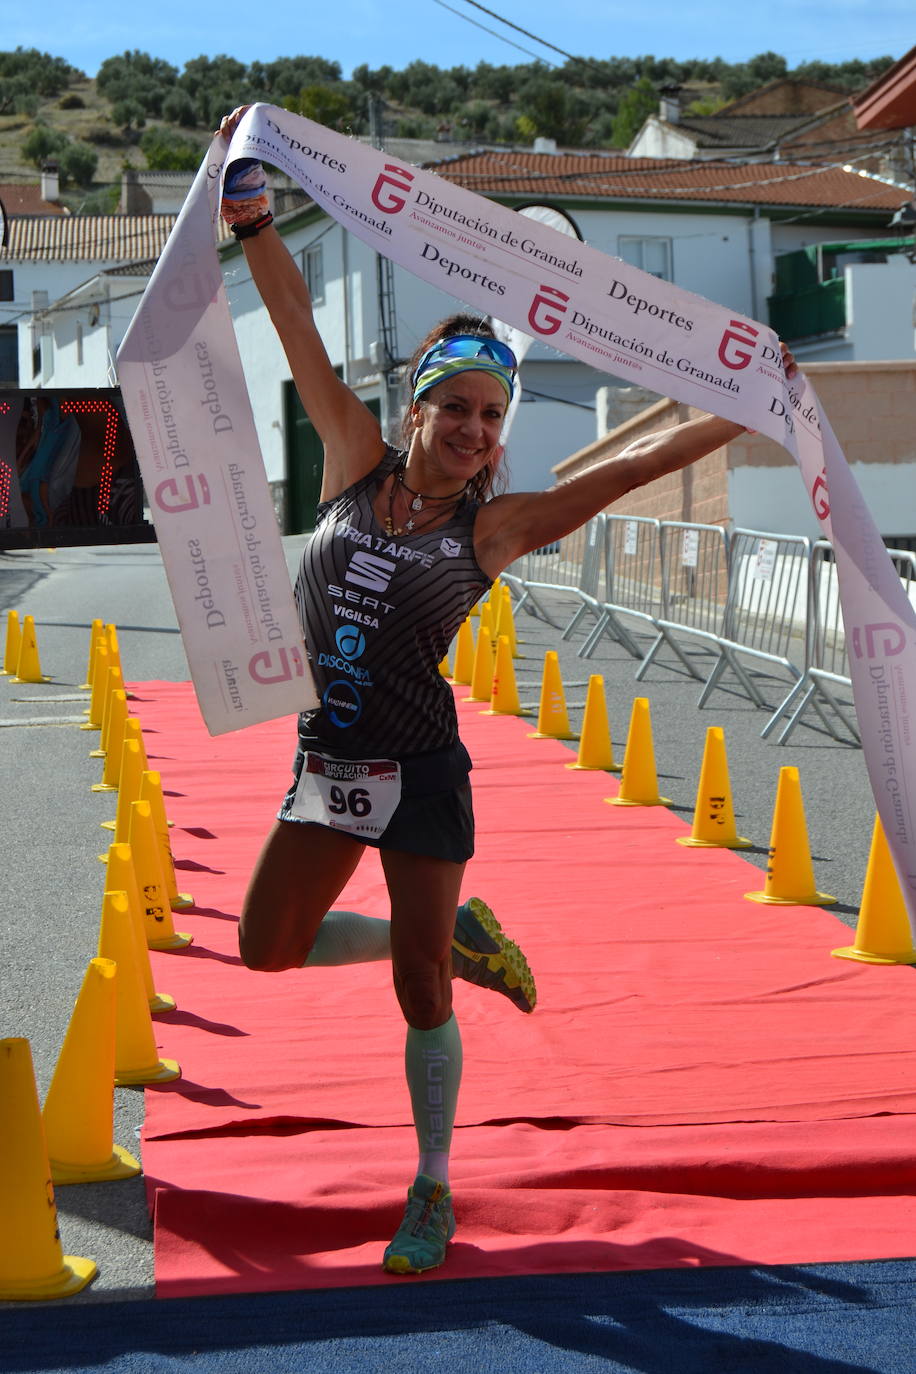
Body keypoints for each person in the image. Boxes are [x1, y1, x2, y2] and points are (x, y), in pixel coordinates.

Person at [217, 106, 796, 1276]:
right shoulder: (349, 461)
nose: (477, 431)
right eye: (459, 409)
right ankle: (463, 943)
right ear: (417, 407)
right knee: (267, 947)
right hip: (330, 765)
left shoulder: (499, 527)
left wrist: (755, 404)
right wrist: (252, 220)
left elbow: (630, 464)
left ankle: (430, 1189)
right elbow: (296, 338)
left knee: (418, 988)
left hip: (421, 770)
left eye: (493, 417)